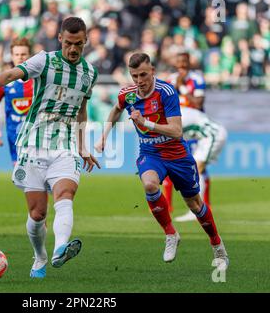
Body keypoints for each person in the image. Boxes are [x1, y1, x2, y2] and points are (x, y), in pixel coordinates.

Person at [0, 17, 100, 278]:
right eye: (68, 43)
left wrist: (83, 146)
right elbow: (11, 74)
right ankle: (40, 255)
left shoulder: (90, 74)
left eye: (78, 44)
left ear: (85, 41)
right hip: (33, 144)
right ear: (60, 39)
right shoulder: (45, 61)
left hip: (65, 144)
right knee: (38, 212)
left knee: (65, 195)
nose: (73, 49)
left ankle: (60, 248)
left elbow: (82, 109)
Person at [95, 52, 228, 270]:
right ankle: (170, 234)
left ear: (153, 71)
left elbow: (176, 131)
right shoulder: (127, 94)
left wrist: (146, 123)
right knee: (149, 184)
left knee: (195, 204)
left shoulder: (166, 92)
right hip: (151, 153)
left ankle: (216, 243)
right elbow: (116, 110)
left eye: (143, 75)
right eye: (135, 76)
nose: (139, 81)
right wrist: (104, 136)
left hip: (177, 154)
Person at [164, 51, 212, 217]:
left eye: (185, 62)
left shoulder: (197, 79)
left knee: (199, 165)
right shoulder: (170, 80)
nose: (182, 66)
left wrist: (183, 87)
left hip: (195, 128)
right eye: (179, 63)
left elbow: (198, 104)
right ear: (176, 64)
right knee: (170, 165)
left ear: (189, 63)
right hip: (177, 128)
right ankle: (168, 206)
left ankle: (206, 204)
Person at [175, 106, 228, 221]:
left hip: (212, 135)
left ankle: (196, 210)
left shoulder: (175, 116)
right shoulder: (177, 110)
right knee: (195, 170)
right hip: (208, 135)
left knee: (195, 170)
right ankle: (198, 209)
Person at [0, 38, 33, 165]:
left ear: (30, 55)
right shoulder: (5, 80)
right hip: (14, 134)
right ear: (12, 56)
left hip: (37, 134)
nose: (20, 58)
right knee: (21, 176)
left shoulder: (38, 79)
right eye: (17, 54)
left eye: (23, 54)